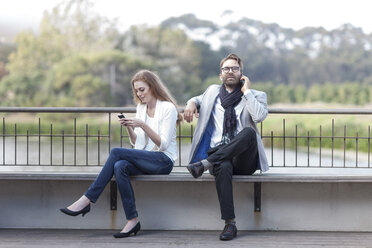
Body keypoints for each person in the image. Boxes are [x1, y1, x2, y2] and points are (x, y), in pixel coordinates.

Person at [60, 70, 182, 238]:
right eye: (136, 91)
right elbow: (137, 143)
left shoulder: (168, 108)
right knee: (120, 166)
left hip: (163, 161)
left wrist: (143, 125)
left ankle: (87, 199)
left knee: (116, 152)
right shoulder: (141, 108)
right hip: (146, 158)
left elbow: (163, 144)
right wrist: (130, 127)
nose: (139, 94)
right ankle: (132, 220)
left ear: (153, 87)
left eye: (142, 89)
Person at [184, 53, 269, 241]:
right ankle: (230, 224)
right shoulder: (212, 92)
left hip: (243, 160)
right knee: (223, 164)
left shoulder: (256, 95)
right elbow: (196, 99)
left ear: (242, 74)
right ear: (220, 74)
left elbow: (260, 116)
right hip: (221, 156)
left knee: (248, 133)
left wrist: (246, 92)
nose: (230, 72)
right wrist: (190, 103)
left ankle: (204, 164)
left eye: (235, 68)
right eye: (226, 69)